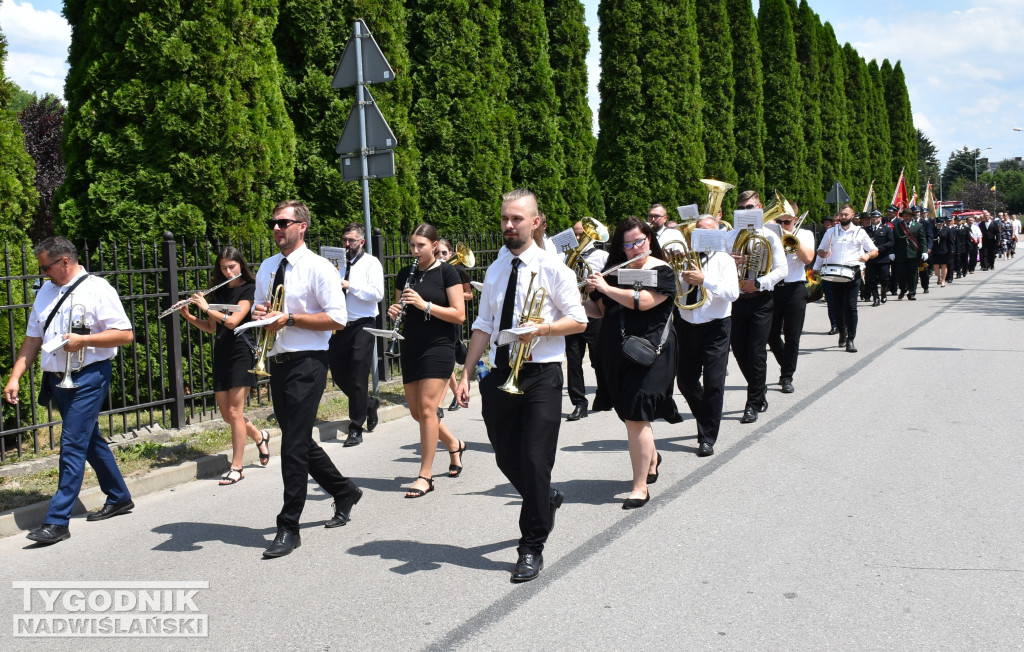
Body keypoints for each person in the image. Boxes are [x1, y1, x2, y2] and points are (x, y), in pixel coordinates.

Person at [455, 188, 587, 583]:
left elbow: (579, 320)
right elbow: (483, 326)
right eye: (504, 219)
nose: (509, 226)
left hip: (541, 373)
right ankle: (544, 498)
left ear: (535, 221)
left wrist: (543, 328)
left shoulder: (554, 268)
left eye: (517, 219)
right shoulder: (496, 270)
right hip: (500, 373)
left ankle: (530, 546)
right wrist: (465, 373)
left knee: (534, 459)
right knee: (505, 458)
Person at [4, 237, 135, 545]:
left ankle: (57, 521)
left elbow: (125, 334)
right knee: (88, 439)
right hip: (57, 378)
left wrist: (84, 341)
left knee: (72, 443)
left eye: (46, 267)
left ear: (64, 261)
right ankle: (119, 496)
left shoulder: (98, 289)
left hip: (89, 374)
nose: (42, 273)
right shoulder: (46, 292)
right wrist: (15, 377)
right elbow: (32, 339)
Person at [254, 200, 362, 559]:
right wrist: (261, 315)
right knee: (298, 440)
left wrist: (291, 319)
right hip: (277, 359)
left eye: (283, 222)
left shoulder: (319, 268)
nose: (276, 228)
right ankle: (344, 490)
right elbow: (264, 312)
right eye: (273, 222)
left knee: (292, 445)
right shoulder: (268, 267)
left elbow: (338, 318)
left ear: (302, 226)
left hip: (308, 362)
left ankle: (288, 526)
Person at [583, 217, 681, 507]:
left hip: (652, 351)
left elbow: (644, 302)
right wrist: (577, 298)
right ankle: (650, 456)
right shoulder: (614, 273)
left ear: (649, 239)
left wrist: (606, 287)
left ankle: (640, 487)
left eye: (639, 241)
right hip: (616, 350)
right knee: (629, 414)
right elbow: (599, 311)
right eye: (628, 244)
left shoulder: (662, 271)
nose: (634, 247)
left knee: (637, 415)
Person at [387, 224, 467, 498]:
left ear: (434, 246)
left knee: (428, 409)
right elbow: (403, 312)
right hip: (412, 346)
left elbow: (459, 315)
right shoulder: (404, 274)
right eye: (412, 245)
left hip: (439, 346)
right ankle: (454, 444)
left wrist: (425, 305)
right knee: (417, 413)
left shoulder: (448, 272)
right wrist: (395, 311)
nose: (415, 250)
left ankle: (425, 475)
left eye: (420, 245)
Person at [179, 247, 270, 484]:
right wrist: (190, 317)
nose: (228, 271)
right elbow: (212, 327)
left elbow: (232, 322)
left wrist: (206, 307)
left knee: (234, 412)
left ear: (241, 265)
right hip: (222, 352)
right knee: (228, 416)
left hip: (242, 352)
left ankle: (237, 467)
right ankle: (260, 437)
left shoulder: (249, 290)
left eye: (232, 266)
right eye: (223, 267)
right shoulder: (218, 293)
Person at [673, 216, 739, 456]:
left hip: (716, 327)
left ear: (718, 234)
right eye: (698, 230)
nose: (703, 234)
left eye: (709, 231)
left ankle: (707, 437)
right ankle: (707, 416)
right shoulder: (682, 259)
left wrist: (705, 280)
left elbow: (732, 293)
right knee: (686, 382)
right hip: (687, 324)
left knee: (713, 384)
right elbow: (677, 292)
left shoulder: (724, 260)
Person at [727, 190, 788, 424]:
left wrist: (759, 283)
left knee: (756, 352)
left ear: (760, 207)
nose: (745, 212)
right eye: (741, 209)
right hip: (736, 301)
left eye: (750, 208)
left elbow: (782, 269)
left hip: (761, 300)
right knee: (741, 352)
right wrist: (730, 262)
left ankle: (751, 403)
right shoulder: (729, 236)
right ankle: (758, 388)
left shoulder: (769, 235)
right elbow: (718, 266)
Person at [327, 223, 385, 448]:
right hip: (340, 324)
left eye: (351, 240)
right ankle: (369, 404)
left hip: (363, 324)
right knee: (340, 374)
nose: (347, 244)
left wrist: (350, 286)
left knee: (359, 376)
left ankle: (355, 427)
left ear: (361, 242)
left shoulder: (371, 263)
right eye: (344, 240)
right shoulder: (336, 264)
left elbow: (377, 294)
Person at [816, 204, 878, 353]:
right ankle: (842, 332)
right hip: (835, 274)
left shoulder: (859, 232)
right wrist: (823, 254)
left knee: (851, 307)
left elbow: (874, 250)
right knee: (837, 306)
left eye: (846, 214)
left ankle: (851, 338)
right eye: (841, 215)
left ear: (852, 215)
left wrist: (867, 255)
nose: (843, 217)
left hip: (852, 273)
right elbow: (820, 249)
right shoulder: (831, 232)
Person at [766, 205, 815, 393]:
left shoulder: (805, 234)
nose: (783, 225)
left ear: (795, 219)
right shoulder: (770, 235)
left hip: (795, 287)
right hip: (773, 287)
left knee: (792, 335)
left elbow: (808, 258)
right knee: (771, 334)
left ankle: (787, 376)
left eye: (787, 221)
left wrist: (792, 239)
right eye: (780, 221)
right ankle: (786, 362)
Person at [565, 220, 609, 421]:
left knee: (599, 359)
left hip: (594, 313)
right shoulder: (565, 257)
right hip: (573, 314)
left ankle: (604, 395)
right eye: (575, 233)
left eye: (581, 234)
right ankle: (579, 404)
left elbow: (609, 284)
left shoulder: (602, 256)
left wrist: (596, 286)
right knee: (573, 360)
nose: (577, 238)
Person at [436, 238, 473, 413]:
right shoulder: (435, 270)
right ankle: (456, 393)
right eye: (438, 253)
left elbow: (469, 294)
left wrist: (452, 293)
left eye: (444, 253)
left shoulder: (458, 270)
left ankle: (440, 404)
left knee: (448, 358)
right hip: (438, 316)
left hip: (452, 316)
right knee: (447, 360)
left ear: (451, 253)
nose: (441, 256)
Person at [892, 207, 926, 300]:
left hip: (913, 253)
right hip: (900, 254)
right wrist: (892, 252)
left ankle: (912, 292)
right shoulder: (898, 225)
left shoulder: (918, 226)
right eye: (904, 215)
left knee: (913, 274)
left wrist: (924, 251)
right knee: (900, 274)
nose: (906, 217)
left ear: (912, 216)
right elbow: (894, 240)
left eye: (908, 215)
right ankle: (903, 289)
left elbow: (922, 239)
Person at [864, 210, 894, 306]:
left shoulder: (886, 229)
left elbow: (891, 242)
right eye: (873, 217)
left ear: (880, 218)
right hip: (871, 259)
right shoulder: (865, 230)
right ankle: (876, 298)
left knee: (884, 278)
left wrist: (878, 249)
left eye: (877, 217)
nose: (874, 219)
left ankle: (884, 292)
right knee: (871, 279)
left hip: (882, 258)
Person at [930, 216, 952, 287]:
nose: (939, 225)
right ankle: (939, 277)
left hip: (945, 250)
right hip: (935, 250)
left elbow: (950, 240)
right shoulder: (933, 230)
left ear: (943, 223)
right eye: (938, 223)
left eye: (940, 223)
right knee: (935, 265)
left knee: (944, 265)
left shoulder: (947, 229)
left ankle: (943, 280)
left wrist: (952, 249)